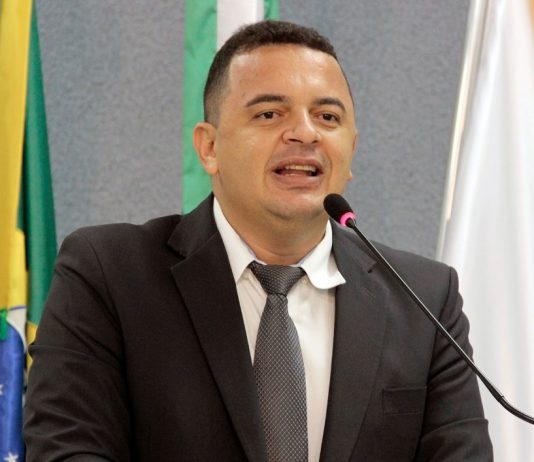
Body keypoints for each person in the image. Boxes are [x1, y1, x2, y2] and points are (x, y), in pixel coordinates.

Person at [24, 20, 493, 461]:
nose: (305, 133)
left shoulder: (424, 300)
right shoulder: (110, 275)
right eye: (270, 113)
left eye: (327, 116)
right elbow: (68, 449)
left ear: (351, 151)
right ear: (209, 147)